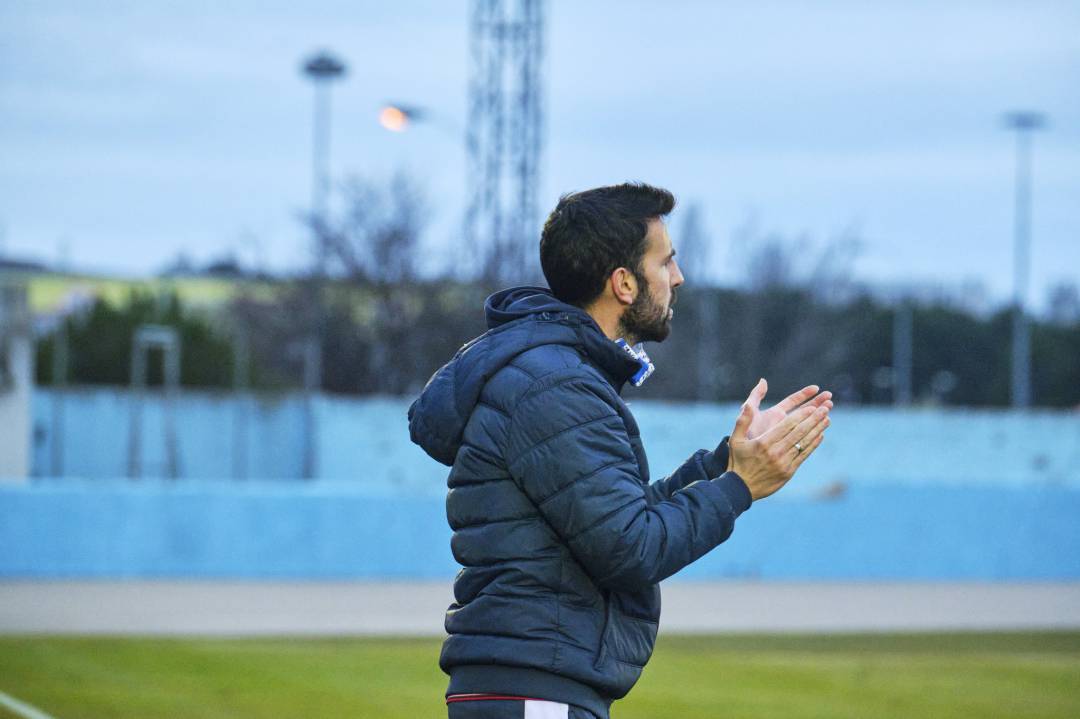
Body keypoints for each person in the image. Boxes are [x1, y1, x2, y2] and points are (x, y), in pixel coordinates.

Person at [408, 183, 832, 719]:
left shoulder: (555, 375)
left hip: (535, 688)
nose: (677, 277)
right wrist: (738, 488)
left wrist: (729, 461)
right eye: (667, 261)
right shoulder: (554, 386)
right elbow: (632, 548)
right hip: (535, 693)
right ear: (624, 283)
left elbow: (615, 517)